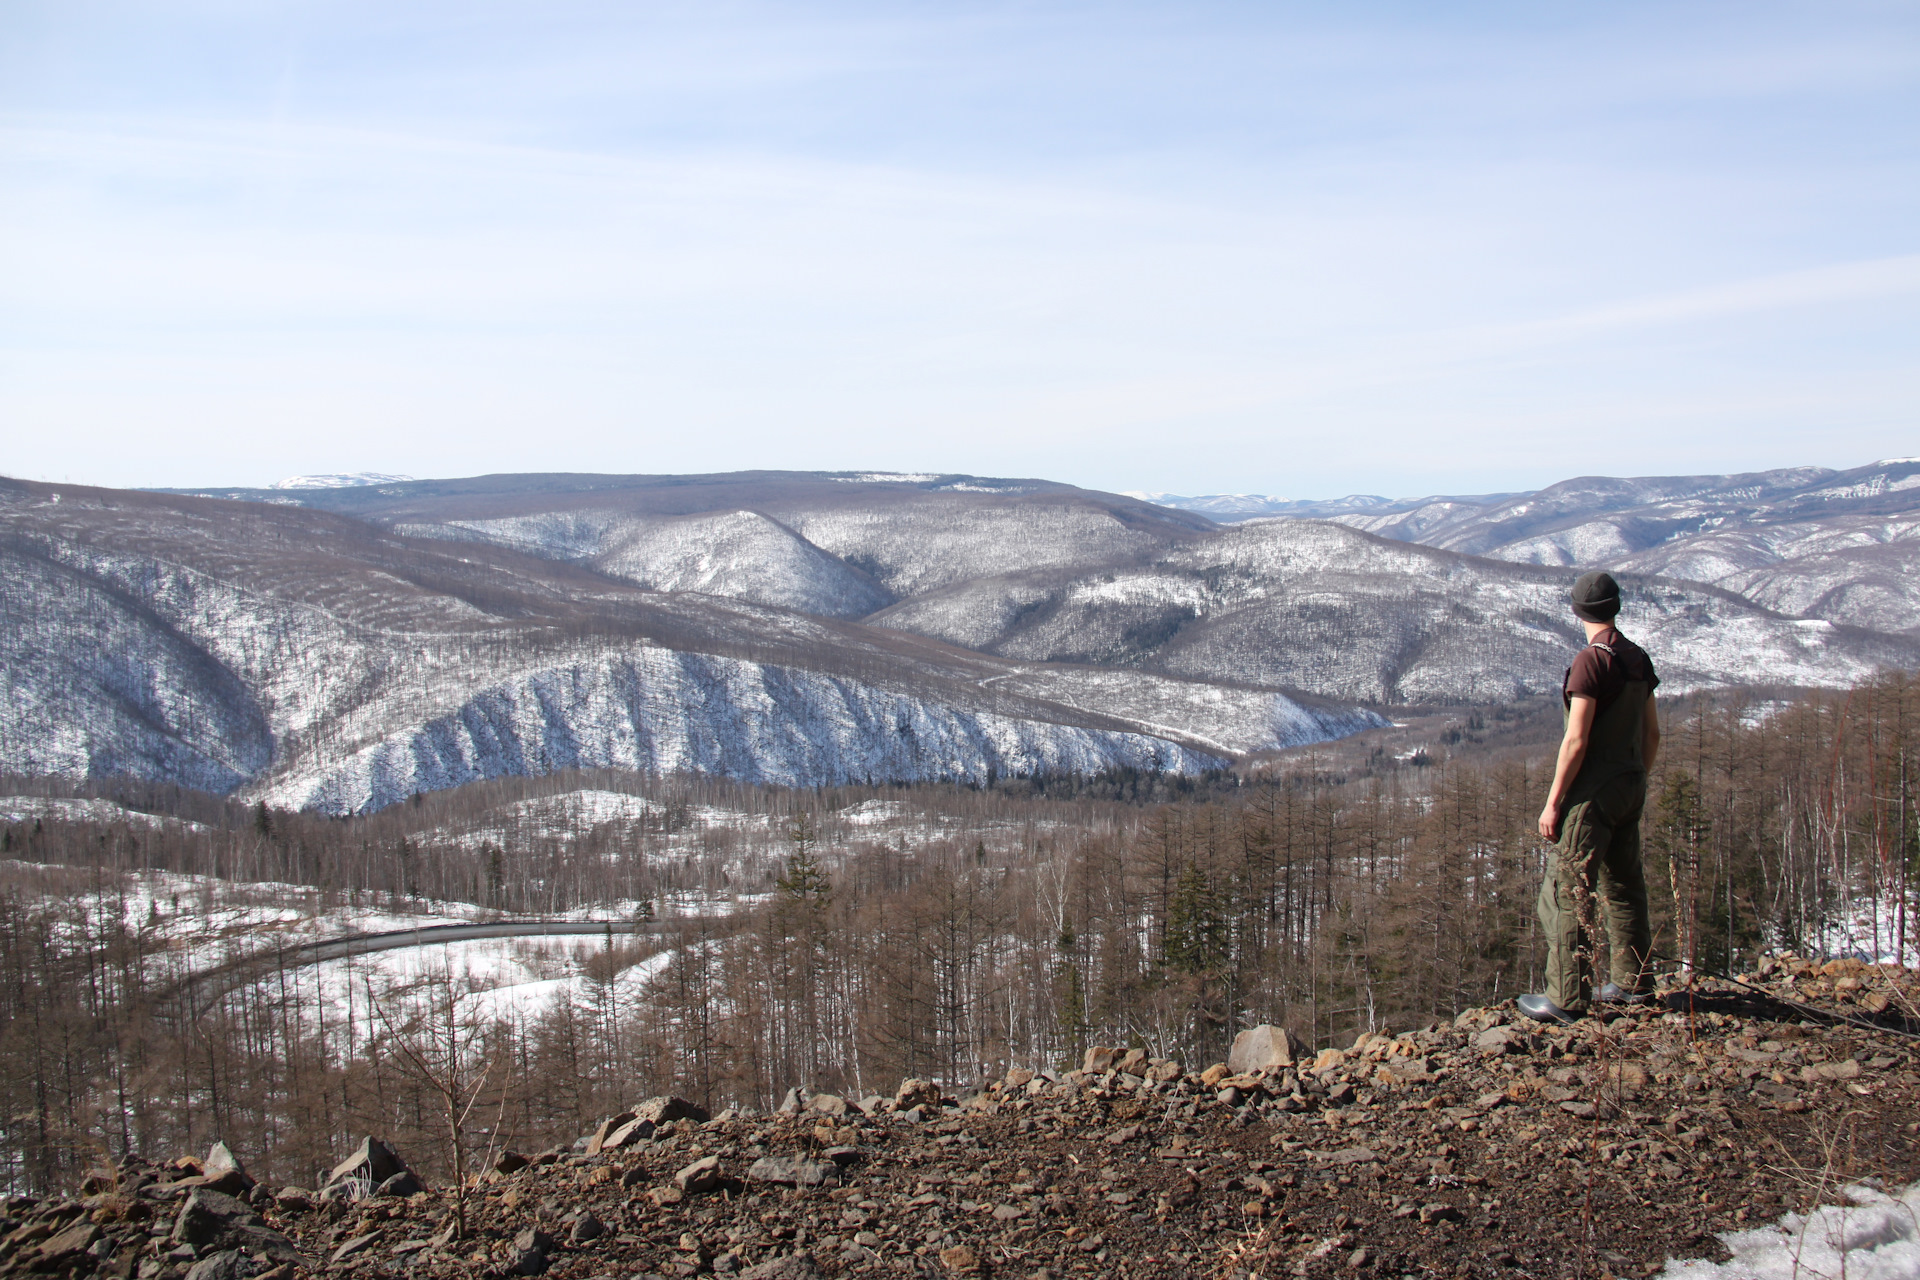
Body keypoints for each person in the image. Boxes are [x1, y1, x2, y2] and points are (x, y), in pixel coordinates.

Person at [1517, 571, 1661, 1024]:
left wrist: (1555, 801)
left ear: (1578, 611)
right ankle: (1634, 982)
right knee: (1623, 886)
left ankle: (1565, 998)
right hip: (1629, 784)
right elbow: (1652, 732)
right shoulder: (1637, 657)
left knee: (1565, 893)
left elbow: (1575, 741)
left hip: (1592, 795)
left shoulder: (1590, 662)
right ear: (1615, 607)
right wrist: (1635, 779)